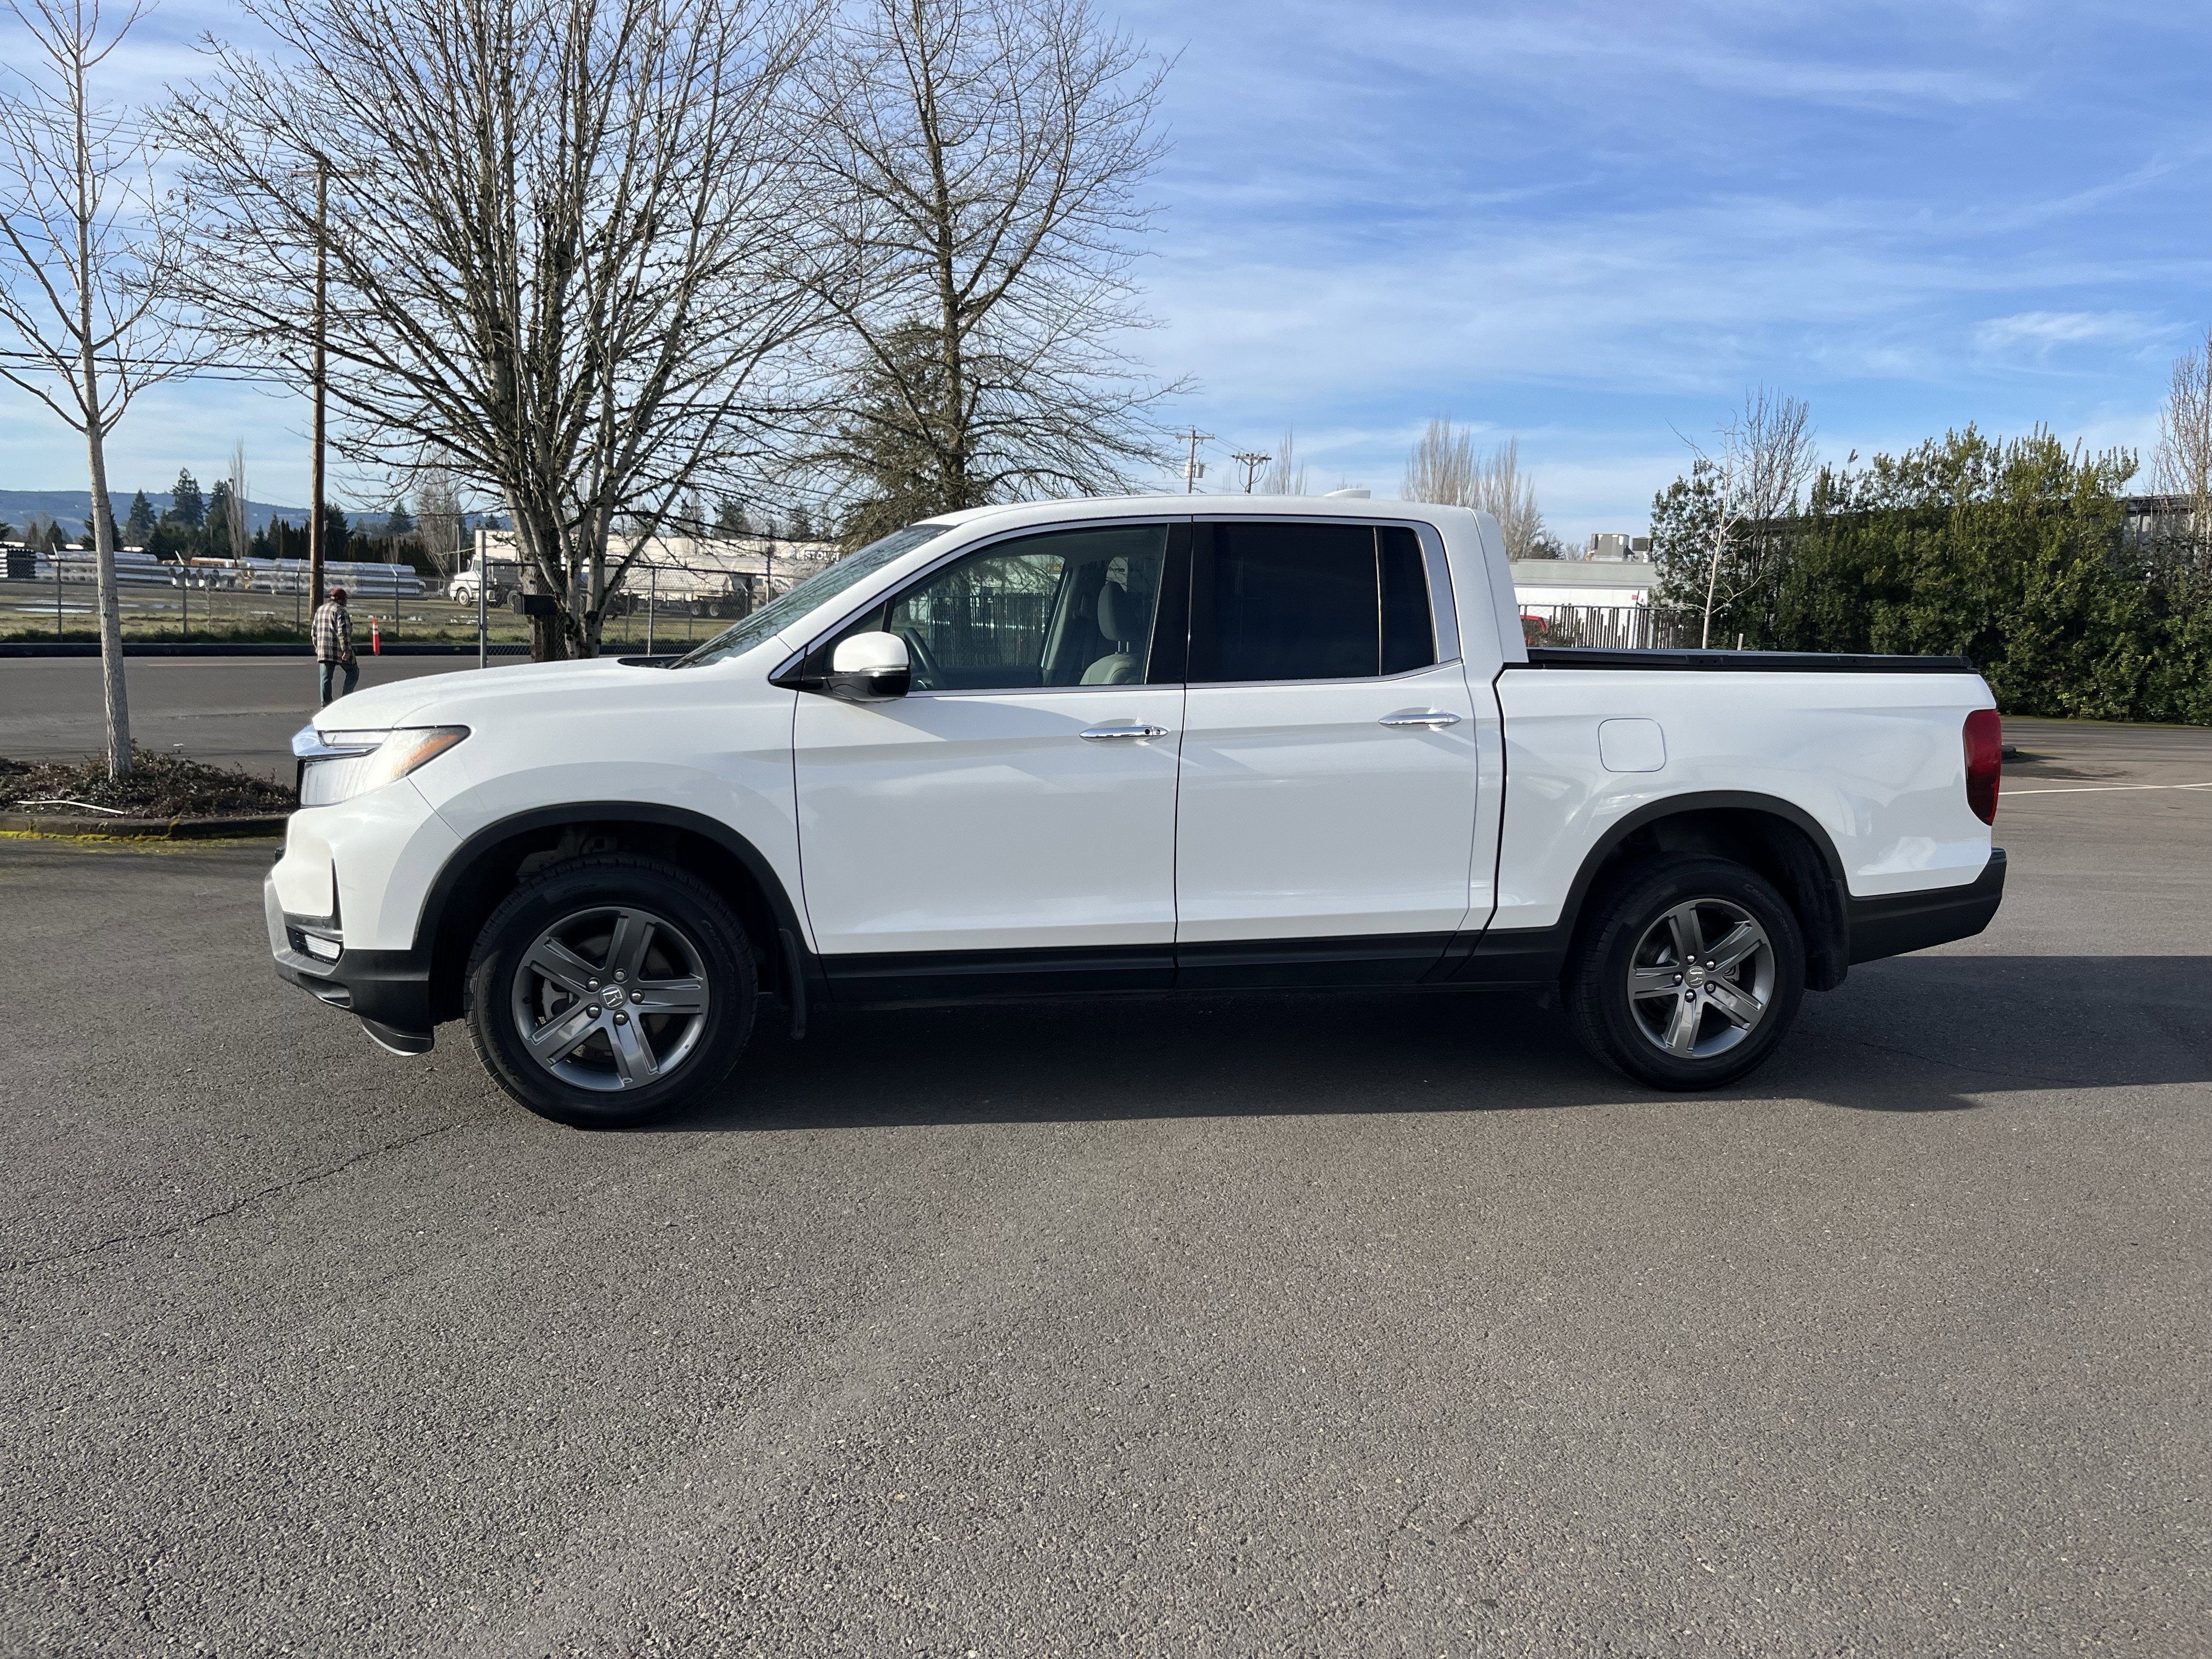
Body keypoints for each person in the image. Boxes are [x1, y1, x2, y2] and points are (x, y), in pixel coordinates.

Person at [312, 585, 359, 707]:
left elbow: (314, 630)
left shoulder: (320, 610)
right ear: (342, 600)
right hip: (337, 649)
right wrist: (347, 650)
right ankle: (345, 700)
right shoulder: (340, 611)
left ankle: (326, 705)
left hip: (323, 649)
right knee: (353, 672)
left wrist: (317, 645)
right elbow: (343, 632)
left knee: (326, 678)